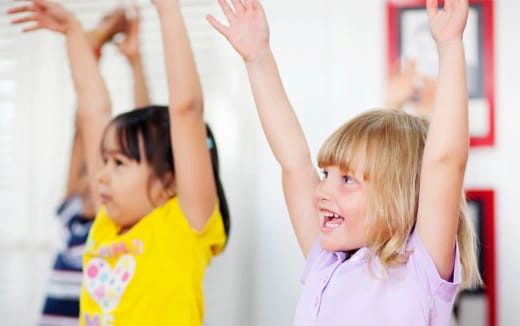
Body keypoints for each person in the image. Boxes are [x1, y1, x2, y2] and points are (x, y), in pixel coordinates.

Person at [207, 0, 479, 324]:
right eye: (325, 173)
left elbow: (445, 162)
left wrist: (450, 45)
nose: (321, 190)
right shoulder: (325, 259)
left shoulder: (419, 267)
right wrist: (258, 58)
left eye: (347, 179)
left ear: (401, 195)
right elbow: (293, 161)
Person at [9, 0, 229, 325]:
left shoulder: (185, 224)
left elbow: (186, 108)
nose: (102, 175)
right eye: (105, 160)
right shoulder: (106, 225)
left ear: (170, 181)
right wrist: (72, 30)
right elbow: (92, 111)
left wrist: (168, 10)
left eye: (120, 163)